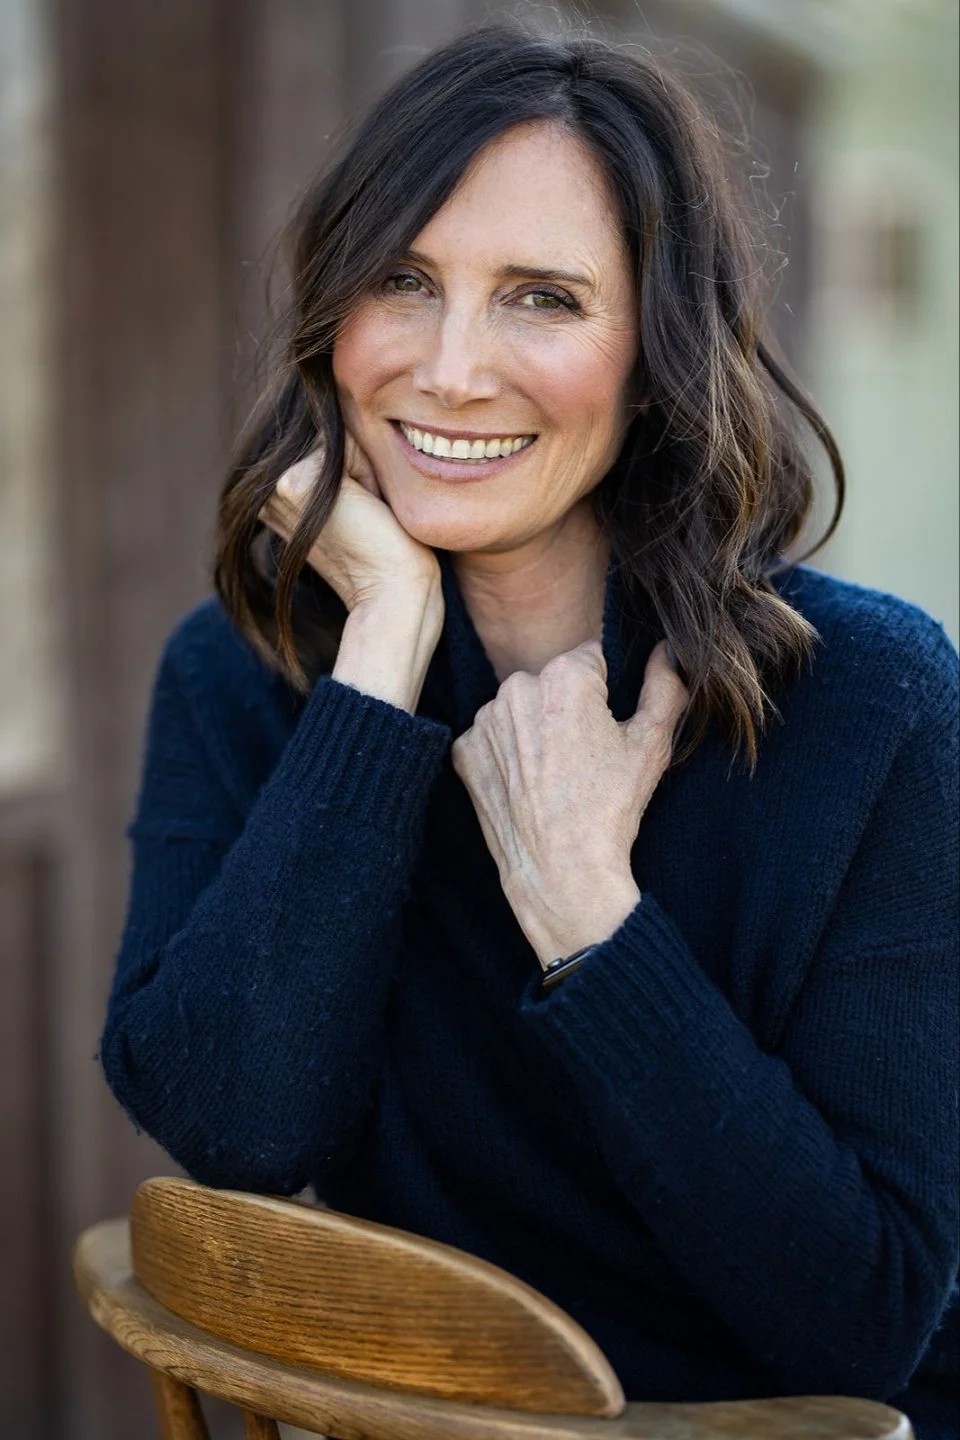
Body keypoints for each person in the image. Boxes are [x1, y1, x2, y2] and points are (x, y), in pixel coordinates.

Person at [99, 21, 959, 1439]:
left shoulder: (872, 703)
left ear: (658, 350)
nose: (447, 368)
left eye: (543, 299)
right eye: (404, 280)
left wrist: (587, 915)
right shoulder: (242, 671)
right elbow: (239, 1133)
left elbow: (858, 1322)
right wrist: (380, 661)